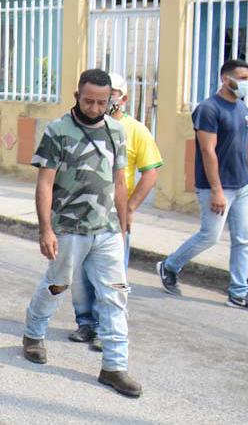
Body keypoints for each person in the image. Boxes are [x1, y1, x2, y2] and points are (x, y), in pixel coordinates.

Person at [22, 69, 142, 398]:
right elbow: (44, 184)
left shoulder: (117, 132)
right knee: (57, 285)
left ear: (111, 100)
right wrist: (45, 229)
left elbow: (119, 181)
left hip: (106, 230)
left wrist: (124, 218)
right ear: (77, 95)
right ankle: (33, 333)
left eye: (102, 102)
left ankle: (114, 366)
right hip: (68, 228)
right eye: (88, 100)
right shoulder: (58, 131)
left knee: (116, 294)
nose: (94, 107)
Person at [70, 73, 162, 352]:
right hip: (79, 214)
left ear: (122, 97)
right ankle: (86, 322)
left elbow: (150, 174)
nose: (107, 102)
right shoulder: (76, 126)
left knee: (112, 279)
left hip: (113, 215)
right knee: (80, 276)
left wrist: (130, 209)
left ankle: (106, 331)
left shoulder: (135, 131)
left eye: (113, 95)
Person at [158, 59, 248, 312]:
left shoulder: (242, 109)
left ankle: (238, 293)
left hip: (243, 185)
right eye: (242, 77)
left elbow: (240, 149)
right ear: (226, 79)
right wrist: (216, 190)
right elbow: (207, 150)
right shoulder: (208, 109)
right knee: (210, 236)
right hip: (217, 186)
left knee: (244, 239)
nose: (247, 82)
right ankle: (169, 266)